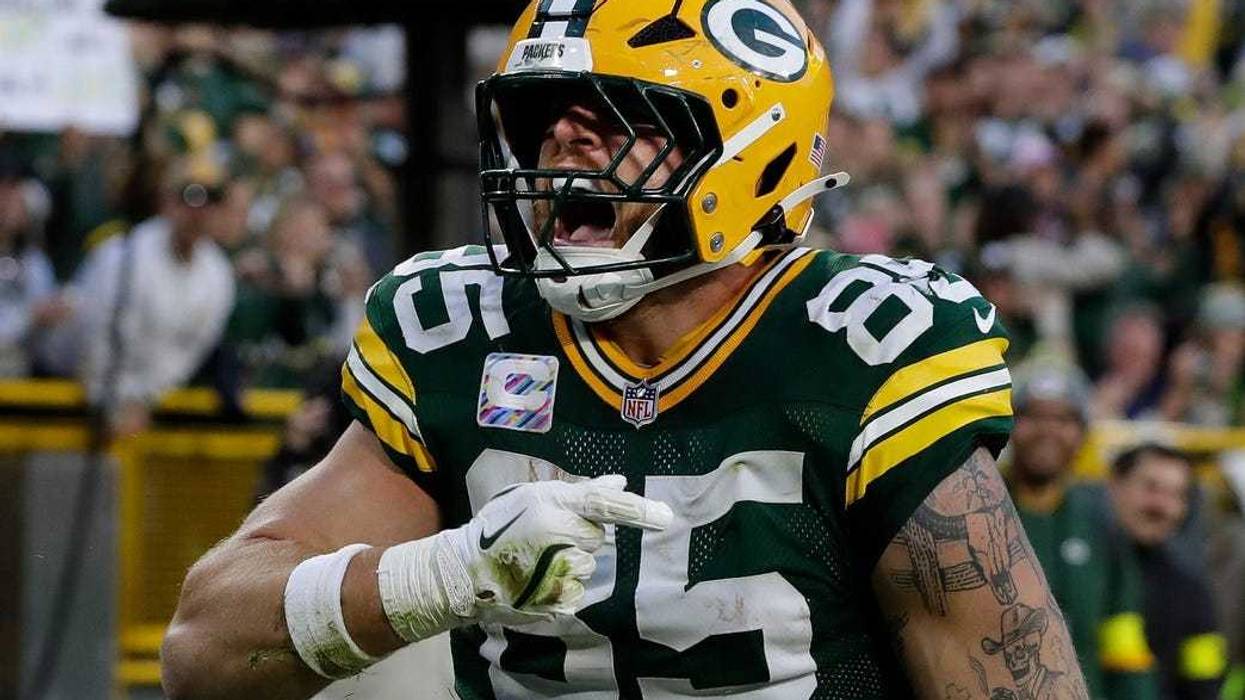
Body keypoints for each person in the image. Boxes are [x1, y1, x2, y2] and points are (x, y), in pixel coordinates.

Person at [161, 2, 1087, 698]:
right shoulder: (462, 328)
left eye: (615, 117)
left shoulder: (858, 348)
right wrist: (441, 576)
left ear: (751, 150)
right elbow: (203, 650)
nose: (563, 141)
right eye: (544, 115)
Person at [40, 157, 236, 435]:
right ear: (166, 201)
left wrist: (143, 397)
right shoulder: (125, 253)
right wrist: (111, 400)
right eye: (188, 198)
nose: (198, 211)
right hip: (65, 390)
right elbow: (97, 336)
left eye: (211, 201)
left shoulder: (218, 273)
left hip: (138, 403)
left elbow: (189, 350)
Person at [1007, 361, 1159, 699]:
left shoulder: (1101, 521)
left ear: (1082, 433)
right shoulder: (974, 508)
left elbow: (1122, 637)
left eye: (1063, 419)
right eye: (1032, 416)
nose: (1048, 430)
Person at [1109, 444, 1227, 700]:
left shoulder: (1191, 589)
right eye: (1151, 488)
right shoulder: (1078, 564)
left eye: (1177, 495)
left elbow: (1205, 685)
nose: (1162, 506)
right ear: (1115, 484)